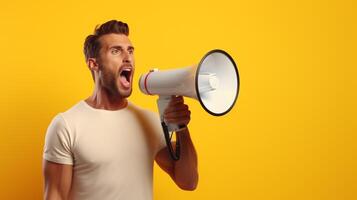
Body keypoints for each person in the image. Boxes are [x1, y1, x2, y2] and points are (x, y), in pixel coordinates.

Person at [42, 20, 198, 200]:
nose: (127, 57)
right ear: (94, 64)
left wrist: (180, 127)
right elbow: (55, 195)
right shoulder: (67, 125)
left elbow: (189, 182)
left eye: (130, 50)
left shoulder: (149, 121)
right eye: (116, 51)